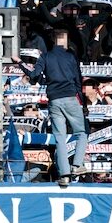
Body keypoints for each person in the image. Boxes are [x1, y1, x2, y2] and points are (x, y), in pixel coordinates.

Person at [16, 29, 88, 187]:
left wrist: (20, 62)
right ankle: (76, 165)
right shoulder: (70, 56)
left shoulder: (45, 56)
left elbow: (33, 76)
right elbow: (78, 81)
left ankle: (64, 175)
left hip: (54, 100)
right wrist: (83, 104)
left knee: (60, 139)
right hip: (70, 97)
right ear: (62, 40)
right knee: (82, 133)